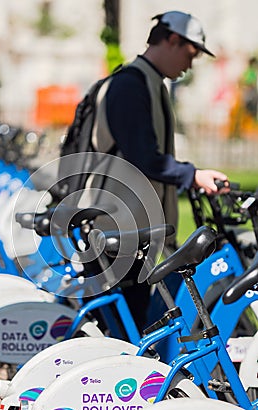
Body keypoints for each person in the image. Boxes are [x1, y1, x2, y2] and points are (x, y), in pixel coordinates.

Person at [87, 11, 229, 332]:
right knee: (124, 330)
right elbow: (144, 159)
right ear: (172, 40)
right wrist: (192, 175)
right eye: (190, 54)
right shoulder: (130, 85)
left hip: (133, 229)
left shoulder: (149, 83)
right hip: (120, 230)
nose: (190, 66)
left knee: (132, 325)